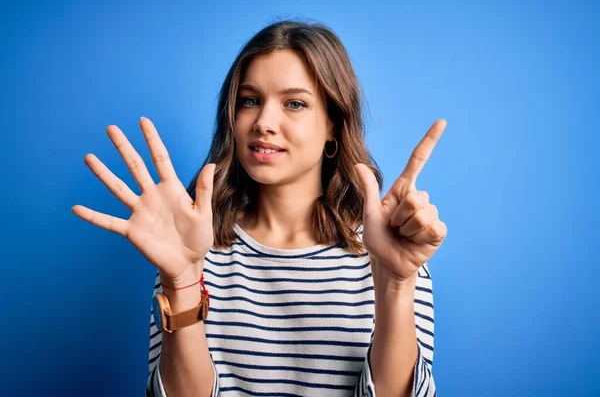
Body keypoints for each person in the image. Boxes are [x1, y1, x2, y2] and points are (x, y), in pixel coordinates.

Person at [72, 20, 445, 397]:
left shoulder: (392, 255)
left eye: (294, 104)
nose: (264, 122)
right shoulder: (190, 245)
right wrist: (182, 278)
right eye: (250, 100)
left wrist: (396, 285)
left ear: (334, 123)